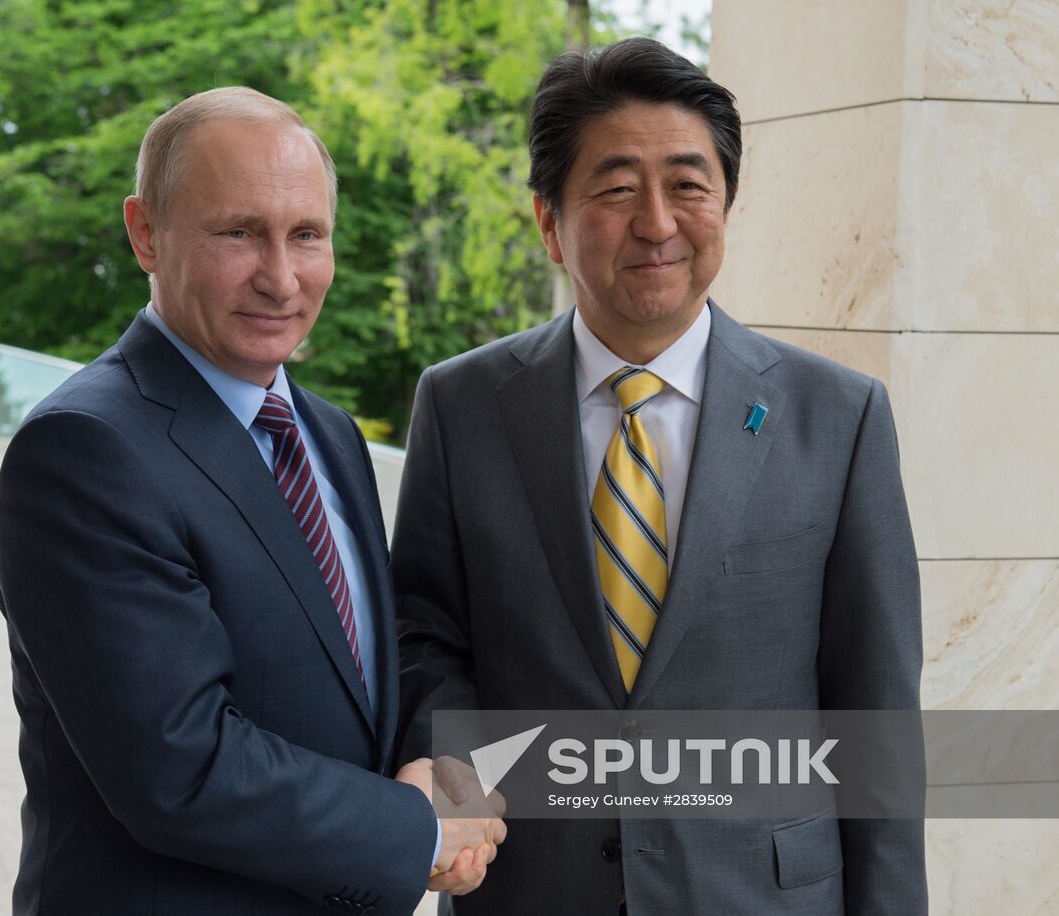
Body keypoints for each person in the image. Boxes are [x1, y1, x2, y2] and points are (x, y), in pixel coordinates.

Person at [391, 38, 925, 915]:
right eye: (614, 188)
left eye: (687, 184)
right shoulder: (463, 406)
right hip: (532, 888)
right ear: (547, 220)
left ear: (728, 200)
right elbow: (427, 638)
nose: (657, 222)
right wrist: (454, 773)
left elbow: (876, 720)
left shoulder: (839, 417)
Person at [0, 87, 504, 916]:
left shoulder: (327, 433)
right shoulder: (85, 450)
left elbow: (369, 664)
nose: (280, 276)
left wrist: (448, 770)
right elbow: (179, 766)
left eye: (306, 235)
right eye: (238, 232)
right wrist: (419, 828)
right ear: (145, 233)